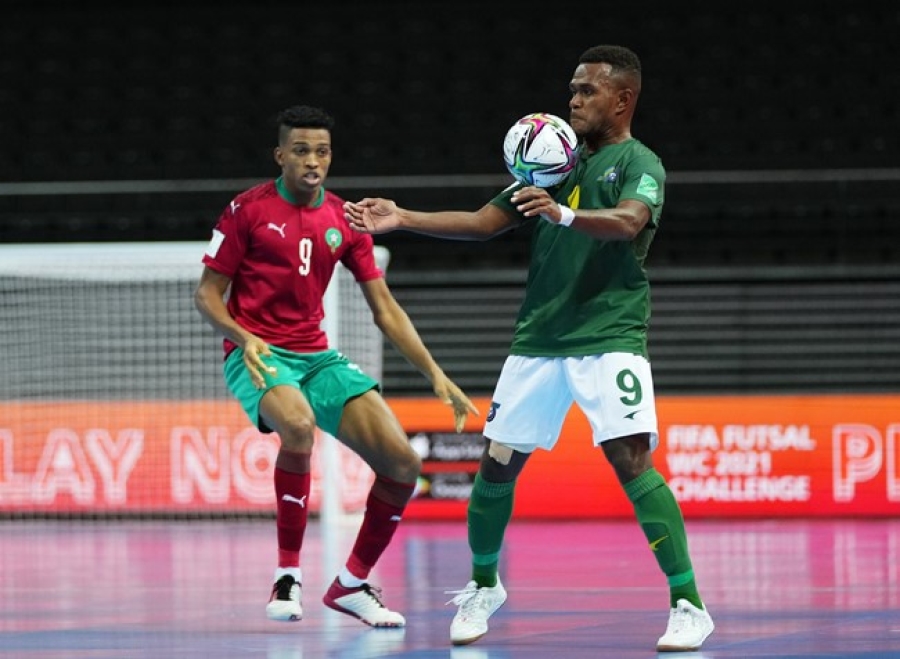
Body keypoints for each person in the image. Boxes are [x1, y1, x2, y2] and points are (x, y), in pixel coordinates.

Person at [344, 45, 714, 651]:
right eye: (571, 89)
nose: (573, 100)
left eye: (587, 91)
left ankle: (688, 604)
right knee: (496, 465)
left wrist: (565, 218)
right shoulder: (553, 165)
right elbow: (484, 223)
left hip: (610, 336)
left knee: (630, 462)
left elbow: (627, 221)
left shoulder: (641, 162)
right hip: (537, 341)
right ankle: (485, 585)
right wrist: (402, 217)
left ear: (623, 99)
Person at [194, 104, 477, 629]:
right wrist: (243, 337)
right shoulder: (246, 211)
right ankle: (288, 575)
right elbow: (207, 295)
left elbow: (385, 309)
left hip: (318, 356)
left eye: (321, 151)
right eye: (300, 150)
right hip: (257, 354)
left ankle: (350, 583)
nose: (312, 161)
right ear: (280, 155)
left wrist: (435, 374)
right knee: (298, 427)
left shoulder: (343, 220)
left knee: (402, 464)